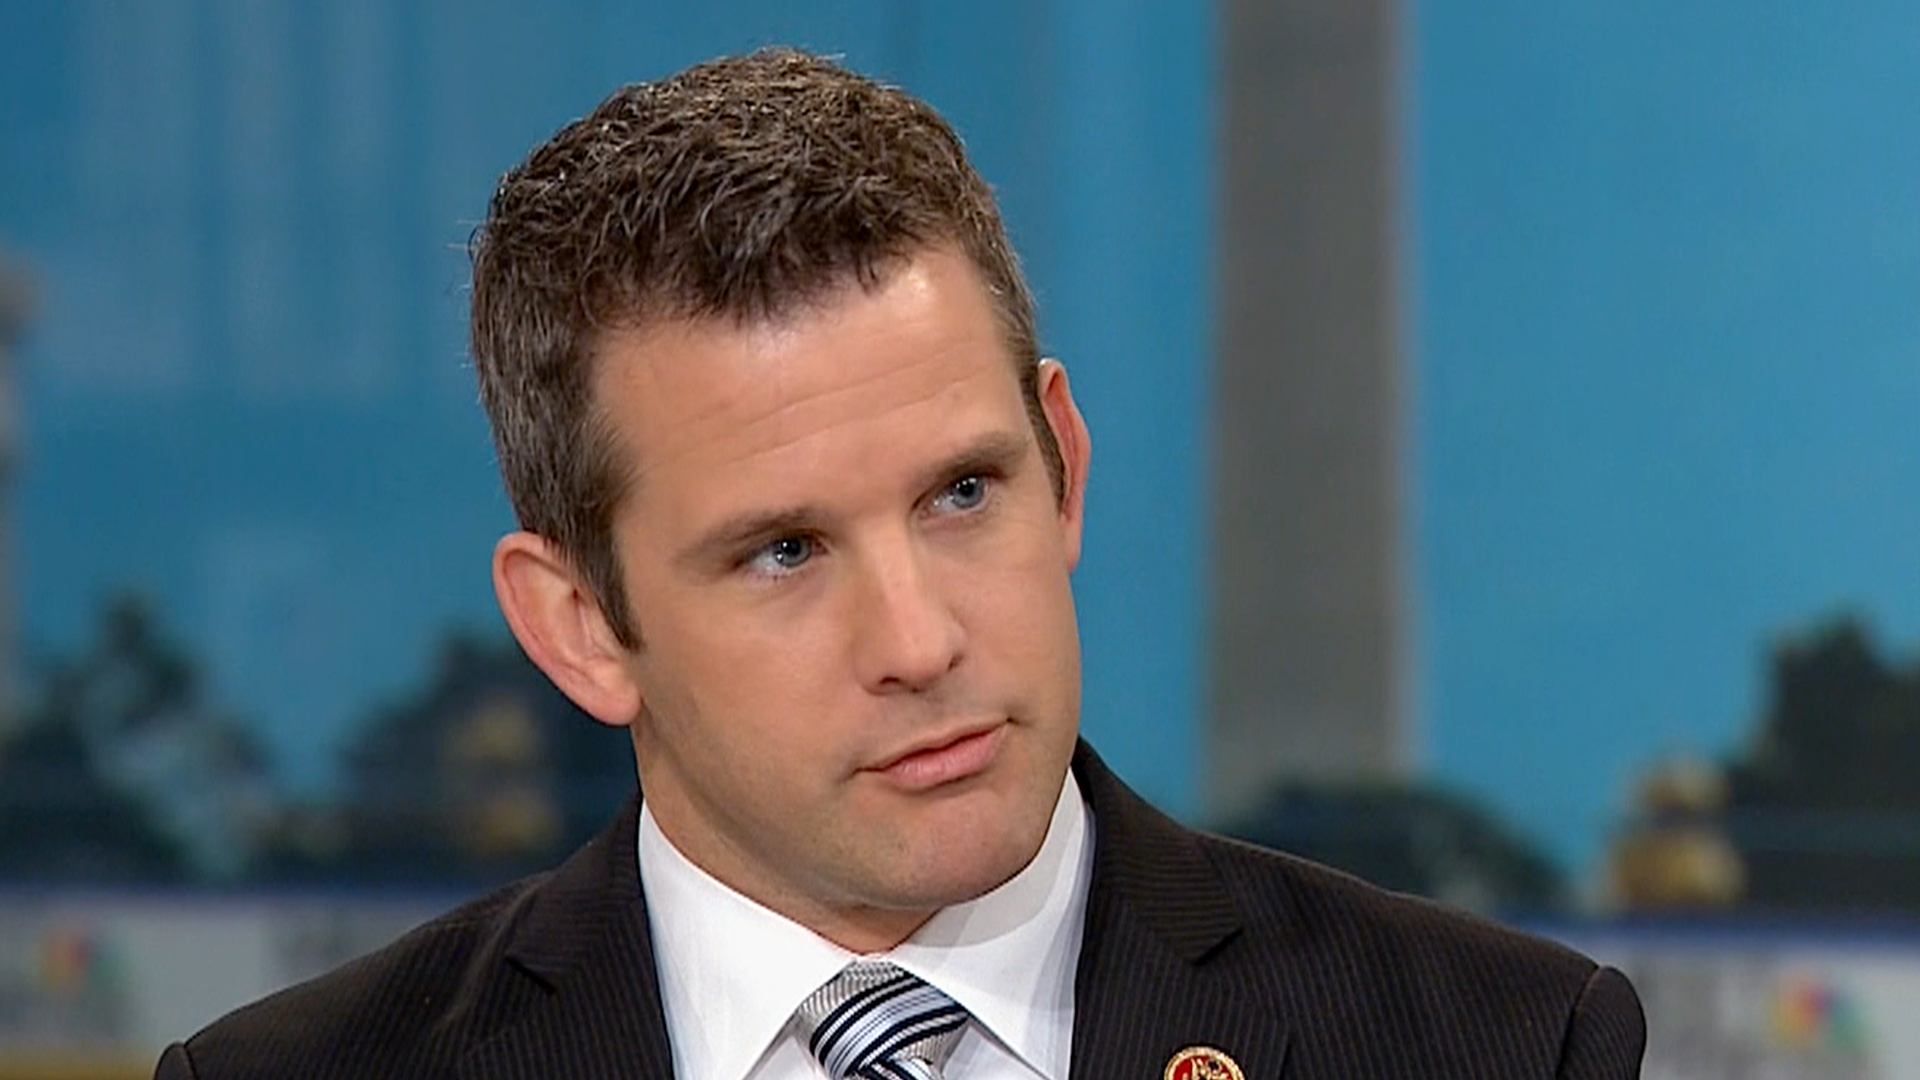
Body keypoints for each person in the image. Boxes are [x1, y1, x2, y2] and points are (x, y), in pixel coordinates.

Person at [154, 48, 1644, 1080]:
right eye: (785, 551)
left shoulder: (1500, 1048)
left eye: (961, 494)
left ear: (1064, 465)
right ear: (581, 628)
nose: (920, 641)